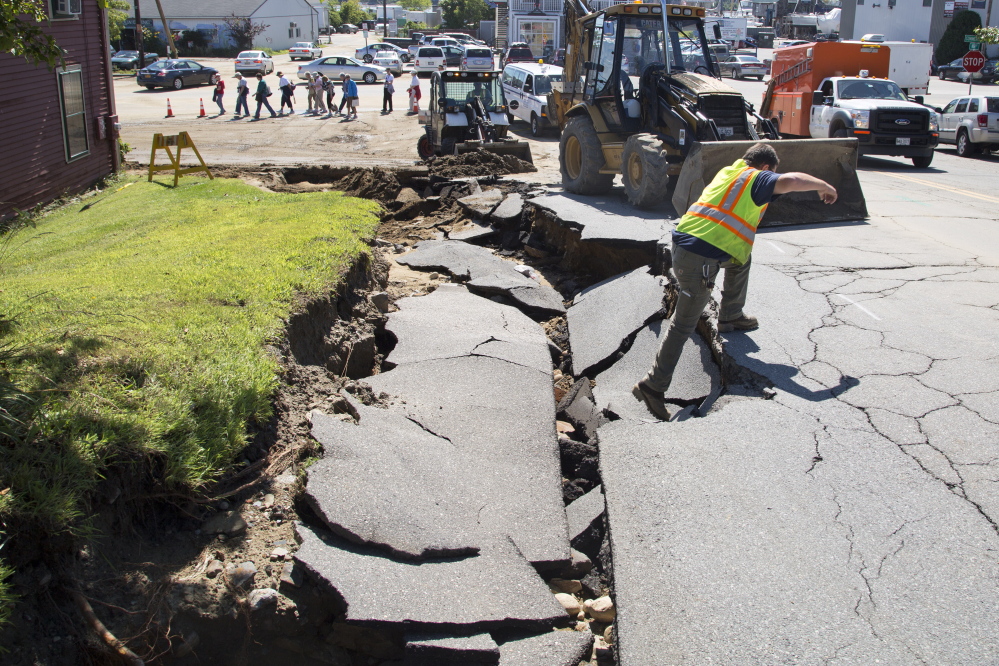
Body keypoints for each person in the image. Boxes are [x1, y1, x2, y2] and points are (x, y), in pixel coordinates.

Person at [631, 143, 838, 421]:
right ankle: (653, 385)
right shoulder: (757, 177)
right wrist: (824, 185)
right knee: (683, 325)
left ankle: (730, 315)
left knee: (742, 257)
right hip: (698, 260)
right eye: (771, 173)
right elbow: (791, 181)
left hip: (688, 247)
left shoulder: (730, 172)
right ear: (765, 167)